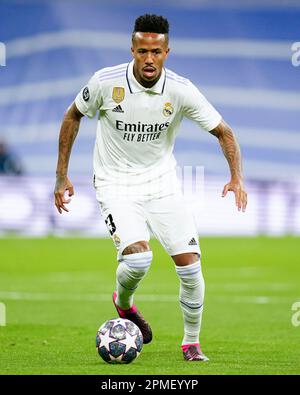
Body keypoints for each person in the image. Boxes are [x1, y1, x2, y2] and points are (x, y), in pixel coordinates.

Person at [54, 14, 247, 362]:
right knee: (140, 259)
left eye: (155, 52)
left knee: (190, 267)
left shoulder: (180, 89)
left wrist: (236, 177)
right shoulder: (104, 82)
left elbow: (224, 132)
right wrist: (61, 175)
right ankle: (124, 303)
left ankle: (191, 343)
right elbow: (72, 116)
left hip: (162, 184)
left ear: (167, 52)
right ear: (132, 49)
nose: (148, 59)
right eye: (142, 51)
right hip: (115, 183)